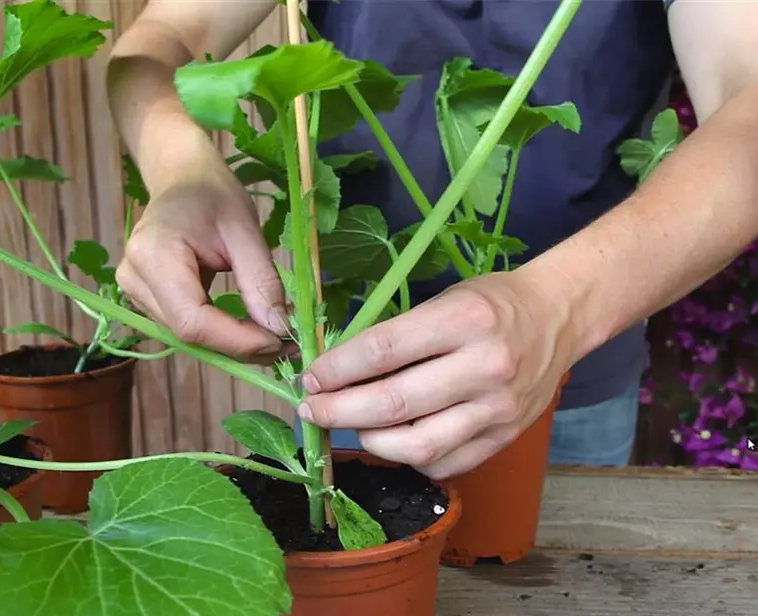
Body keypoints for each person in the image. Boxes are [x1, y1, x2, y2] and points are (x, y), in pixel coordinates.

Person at [107, 0, 758, 479]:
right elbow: (161, 37)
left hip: (580, 361)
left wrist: (560, 308)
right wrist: (178, 169)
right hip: (366, 360)